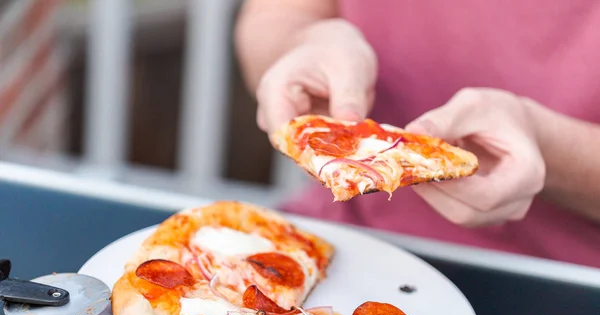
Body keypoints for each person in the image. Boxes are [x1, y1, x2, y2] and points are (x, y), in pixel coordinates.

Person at [234, 0, 600, 268]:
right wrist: (299, 43)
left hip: (566, 280)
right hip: (335, 240)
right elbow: (277, 14)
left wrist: (551, 149)